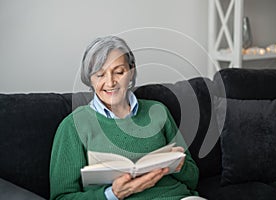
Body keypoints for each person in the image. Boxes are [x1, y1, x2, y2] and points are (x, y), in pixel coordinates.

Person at [49, 36, 200, 199]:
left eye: (119, 72)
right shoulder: (73, 125)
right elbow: (61, 197)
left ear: (131, 71)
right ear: (90, 80)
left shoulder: (158, 111)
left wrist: (180, 165)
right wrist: (112, 194)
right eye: (100, 75)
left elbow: (193, 179)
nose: (110, 82)